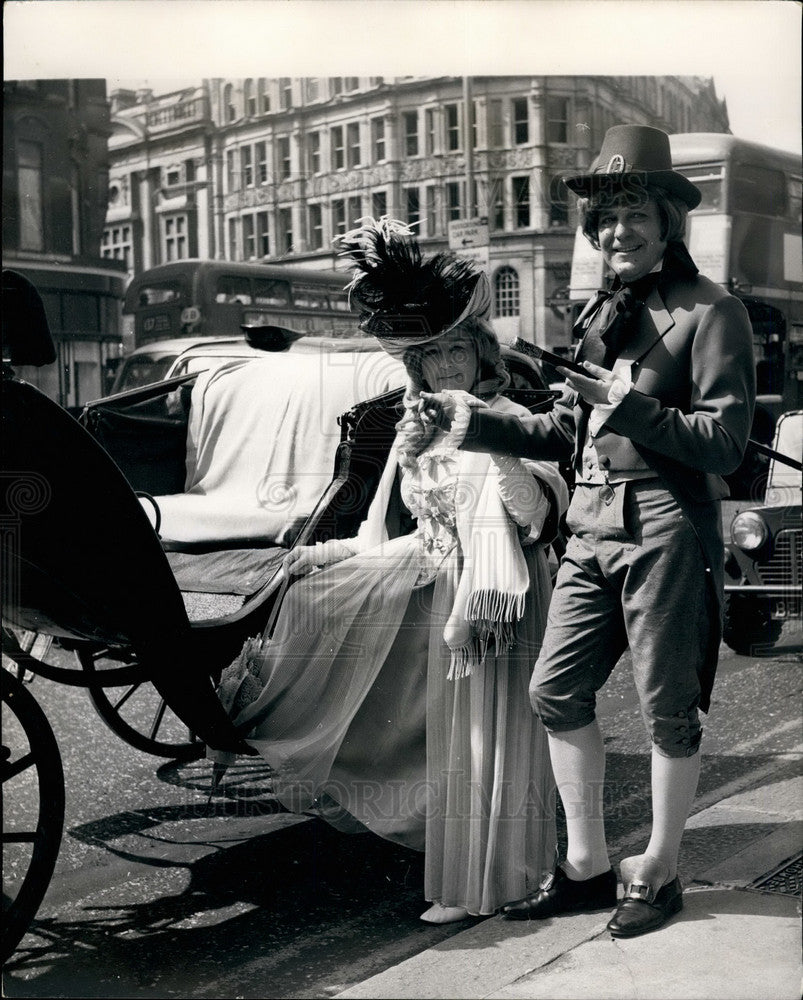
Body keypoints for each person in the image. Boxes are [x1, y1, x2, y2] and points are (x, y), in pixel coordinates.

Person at [420, 125, 756, 937]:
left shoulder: (713, 312)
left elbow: (724, 444)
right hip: (589, 524)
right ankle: (585, 865)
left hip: (665, 524)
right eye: (604, 219)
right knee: (554, 690)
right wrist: (464, 422)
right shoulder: (602, 314)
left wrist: (626, 404)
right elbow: (562, 434)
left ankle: (659, 870)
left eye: (634, 213)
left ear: (668, 219)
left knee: (667, 708)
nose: (617, 232)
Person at [213, 218, 569, 923]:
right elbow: (381, 534)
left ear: (478, 349)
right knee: (317, 604)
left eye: (455, 349)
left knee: (485, 745)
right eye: (429, 355)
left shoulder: (506, 414)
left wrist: (486, 434)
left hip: (497, 595)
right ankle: (454, 866)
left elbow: (532, 514)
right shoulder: (419, 429)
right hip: (435, 576)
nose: (444, 366)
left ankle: (493, 880)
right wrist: (321, 555)